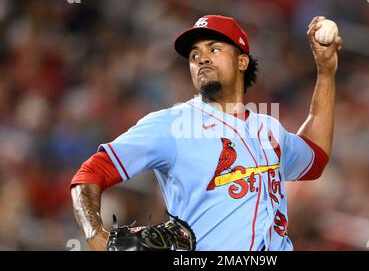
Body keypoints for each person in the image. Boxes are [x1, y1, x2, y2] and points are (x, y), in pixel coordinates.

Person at [70, 14, 343, 251]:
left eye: (214, 49)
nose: (202, 58)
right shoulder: (171, 125)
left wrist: (326, 72)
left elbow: (315, 157)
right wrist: (95, 234)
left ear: (242, 61)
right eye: (194, 54)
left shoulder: (269, 127)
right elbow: (90, 174)